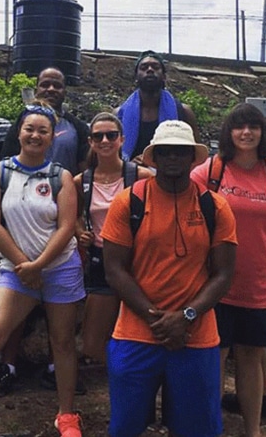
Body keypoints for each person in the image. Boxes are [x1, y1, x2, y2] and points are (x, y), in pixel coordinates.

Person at [0, 102, 85, 437]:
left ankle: (67, 415)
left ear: (52, 137)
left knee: (63, 342)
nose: (35, 135)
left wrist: (39, 265)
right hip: (16, 270)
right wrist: (25, 267)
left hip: (61, 267)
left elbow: (67, 227)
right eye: (29, 129)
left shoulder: (61, 177)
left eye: (43, 130)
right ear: (19, 133)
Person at [101, 120, 238, 437]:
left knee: (199, 428)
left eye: (181, 152)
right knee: (125, 426)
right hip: (136, 333)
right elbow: (114, 270)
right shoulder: (129, 201)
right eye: (166, 152)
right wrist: (159, 320)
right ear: (154, 157)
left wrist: (186, 316)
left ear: (193, 158)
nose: (173, 158)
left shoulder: (214, 206)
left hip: (196, 335)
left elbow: (224, 273)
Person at [191, 103, 266, 437]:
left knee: (251, 359)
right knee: (213, 358)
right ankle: (210, 427)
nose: (245, 133)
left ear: (262, 132)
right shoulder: (210, 171)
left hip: (260, 287)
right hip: (214, 285)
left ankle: (252, 430)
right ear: (228, 132)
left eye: (253, 127)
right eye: (238, 127)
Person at [0, 66, 89, 395]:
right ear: (37, 87)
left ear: (65, 90)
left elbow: (82, 175)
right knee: (18, 305)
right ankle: (7, 365)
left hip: (61, 223)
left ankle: (56, 367)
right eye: (45, 84)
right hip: (23, 224)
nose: (50, 89)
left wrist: (79, 222)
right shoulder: (20, 126)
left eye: (57, 84)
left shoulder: (77, 128)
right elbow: (6, 168)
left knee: (61, 311)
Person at [73, 112, 154, 364]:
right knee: (92, 341)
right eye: (98, 136)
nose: (105, 140)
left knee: (144, 328)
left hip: (138, 259)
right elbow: (73, 215)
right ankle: (119, 372)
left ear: (122, 140)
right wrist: (80, 232)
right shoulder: (81, 181)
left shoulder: (141, 177)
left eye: (111, 135)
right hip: (101, 259)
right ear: (90, 142)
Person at [115, 50, 201, 163]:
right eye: (144, 67)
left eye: (155, 67)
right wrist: (130, 166)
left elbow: (196, 156)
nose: (150, 70)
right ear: (136, 76)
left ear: (164, 76)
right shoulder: (119, 115)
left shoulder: (183, 112)